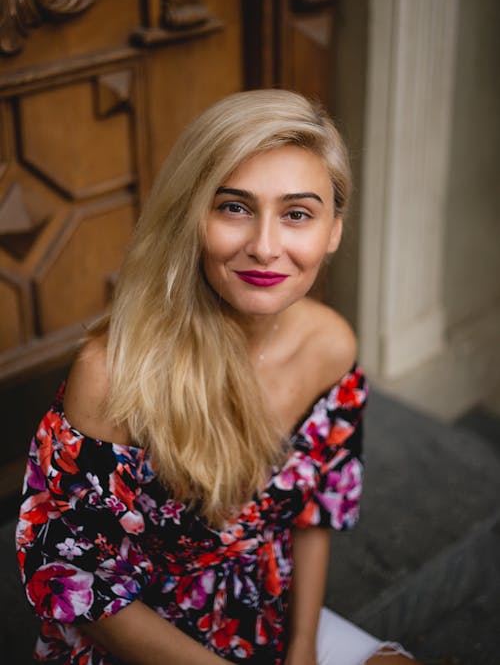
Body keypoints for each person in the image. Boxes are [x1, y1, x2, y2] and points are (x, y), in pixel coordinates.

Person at [16, 90, 416, 665]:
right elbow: (81, 584)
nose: (264, 246)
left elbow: (314, 511)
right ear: (192, 216)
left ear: (333, 231)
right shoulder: (113, 375)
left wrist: (302, 648)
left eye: (297, 213)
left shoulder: (331, 345)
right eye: (234, 207)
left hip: (264, 613)